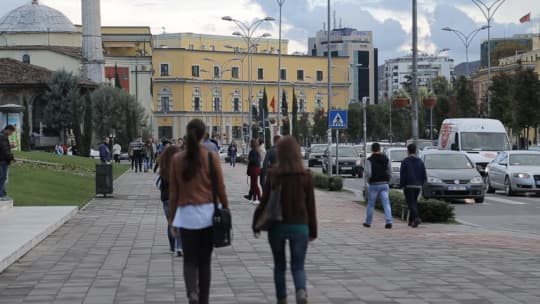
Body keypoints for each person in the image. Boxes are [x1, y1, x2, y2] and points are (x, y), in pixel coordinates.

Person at [169, 119, 229, 304]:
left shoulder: (177, 159)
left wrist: (172, 220)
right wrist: (225, 208)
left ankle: (191, 293)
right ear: (204, 134)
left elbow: (173, 193)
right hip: (208, 215)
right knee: (205, 262)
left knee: (189, 260)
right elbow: (220, 187)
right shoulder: (211, 157)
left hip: (186, 216)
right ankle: (203, 299)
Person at [252, 136, 317, 304]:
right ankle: (301, 292)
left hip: (277, 226)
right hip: (300, 226)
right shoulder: (306, 176)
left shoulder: (273, 174)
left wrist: (256, 223)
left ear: (280, 153)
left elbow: (264, 201)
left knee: (279, 266)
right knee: (298, 266)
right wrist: (313, 230)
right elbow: (311, 206)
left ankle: (282, 299)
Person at [159, 144, 183, 256]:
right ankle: (179, 246)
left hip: (166, 199)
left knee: (170, 223)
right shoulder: (178, 166)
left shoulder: (163, 167)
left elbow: (162, 185)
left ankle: (173, 246)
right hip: (177, 198)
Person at [363, 142, 393, 229]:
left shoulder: (369, 160)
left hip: (374, 184)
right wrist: (388, 180)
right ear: (379, 149)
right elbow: (390, 171)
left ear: (372, 150)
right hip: (384, 184)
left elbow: (368, 173)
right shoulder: (386, 158)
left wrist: (368, 181)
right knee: (386, 203)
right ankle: (389, 221)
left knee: (371, 204)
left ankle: (368, 222)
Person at [400, 144, 427, 228]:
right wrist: (422, 184)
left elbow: (402, 175)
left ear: (408, 151)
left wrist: (402, 185)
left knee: (411, 203)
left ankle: (416, 217)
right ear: (415, 151)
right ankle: (411, 221)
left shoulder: (405, 161)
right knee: (414, 202)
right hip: (418, 186)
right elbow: (424, 175)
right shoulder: (420, 161)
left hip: (408, 185)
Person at [0, 125, 16, 201]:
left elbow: (4, 147)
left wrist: (10, 146)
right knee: (2, 178)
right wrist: (11, 158)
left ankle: (3, 194)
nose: (11, 134)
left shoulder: (2, 136)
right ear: (8, 130)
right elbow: (5, 150)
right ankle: (2, 195)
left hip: (2, 160)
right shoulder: (3, 137)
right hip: (2, 161)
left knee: (3, 178)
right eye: (11, 132)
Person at [247, 138, 262, 204]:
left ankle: (259, 198)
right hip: (255, 169)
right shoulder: (256, 150)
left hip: (254, 168)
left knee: (255, 184)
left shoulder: (253, 151)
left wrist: (249, 160)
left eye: (250, 143)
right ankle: (255, 198)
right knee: (253, 184)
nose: (249, 144)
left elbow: (254, 160)